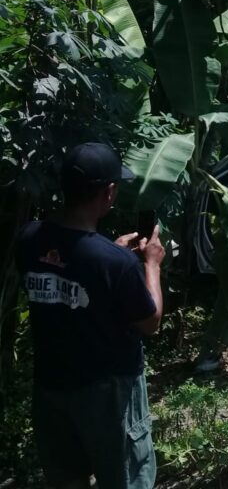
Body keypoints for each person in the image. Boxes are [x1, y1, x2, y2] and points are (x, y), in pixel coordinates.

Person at [15, 143, 164, 488]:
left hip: (51, 388)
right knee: (125, 479)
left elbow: (67, 275)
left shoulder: (28, 239)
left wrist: (109, 254)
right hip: (108, 395)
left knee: (66, 480)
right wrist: (151, 266)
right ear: (109, 192)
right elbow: (150, 321)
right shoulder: (116, 263)